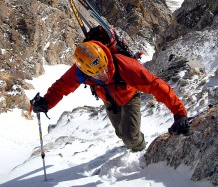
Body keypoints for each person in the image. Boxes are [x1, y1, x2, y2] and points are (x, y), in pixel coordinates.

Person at [30, 41, 190, 152]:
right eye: (98, 74)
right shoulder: (80, 70)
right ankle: (131, 145)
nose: (105, 74)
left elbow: (157, 86)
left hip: (129, 97)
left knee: (130, 137)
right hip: (109, 100)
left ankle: (139, 151)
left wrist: (180, 113)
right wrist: (46, 102)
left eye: (105, 68)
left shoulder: (125, 66)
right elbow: (62, 86)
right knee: (121, 133)